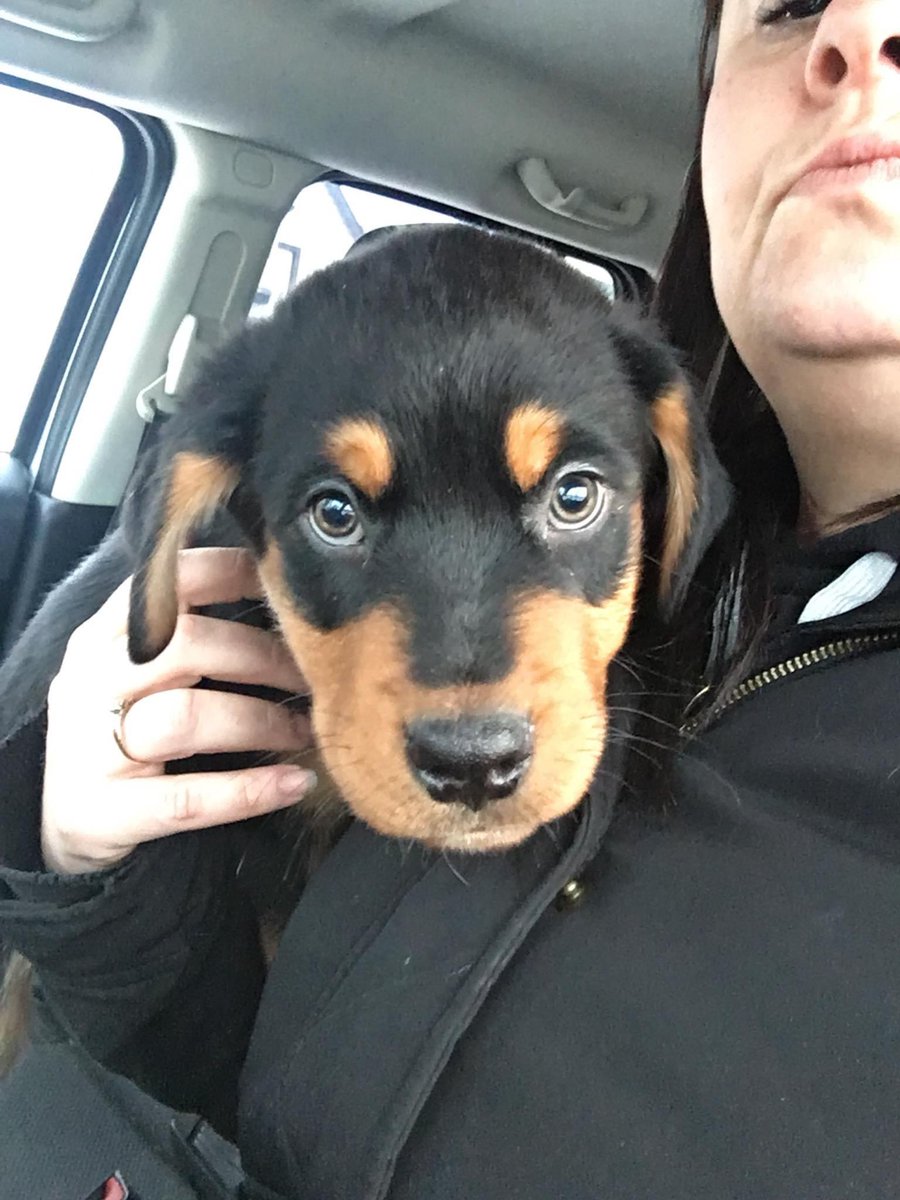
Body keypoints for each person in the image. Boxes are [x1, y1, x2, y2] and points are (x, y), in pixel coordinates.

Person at [2, 0, 900, 1195]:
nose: (862, 22)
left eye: (570, 496)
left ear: (666, 490)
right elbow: (229, 1073)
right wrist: (95, 866)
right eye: (786, 5)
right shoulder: (687, 538)